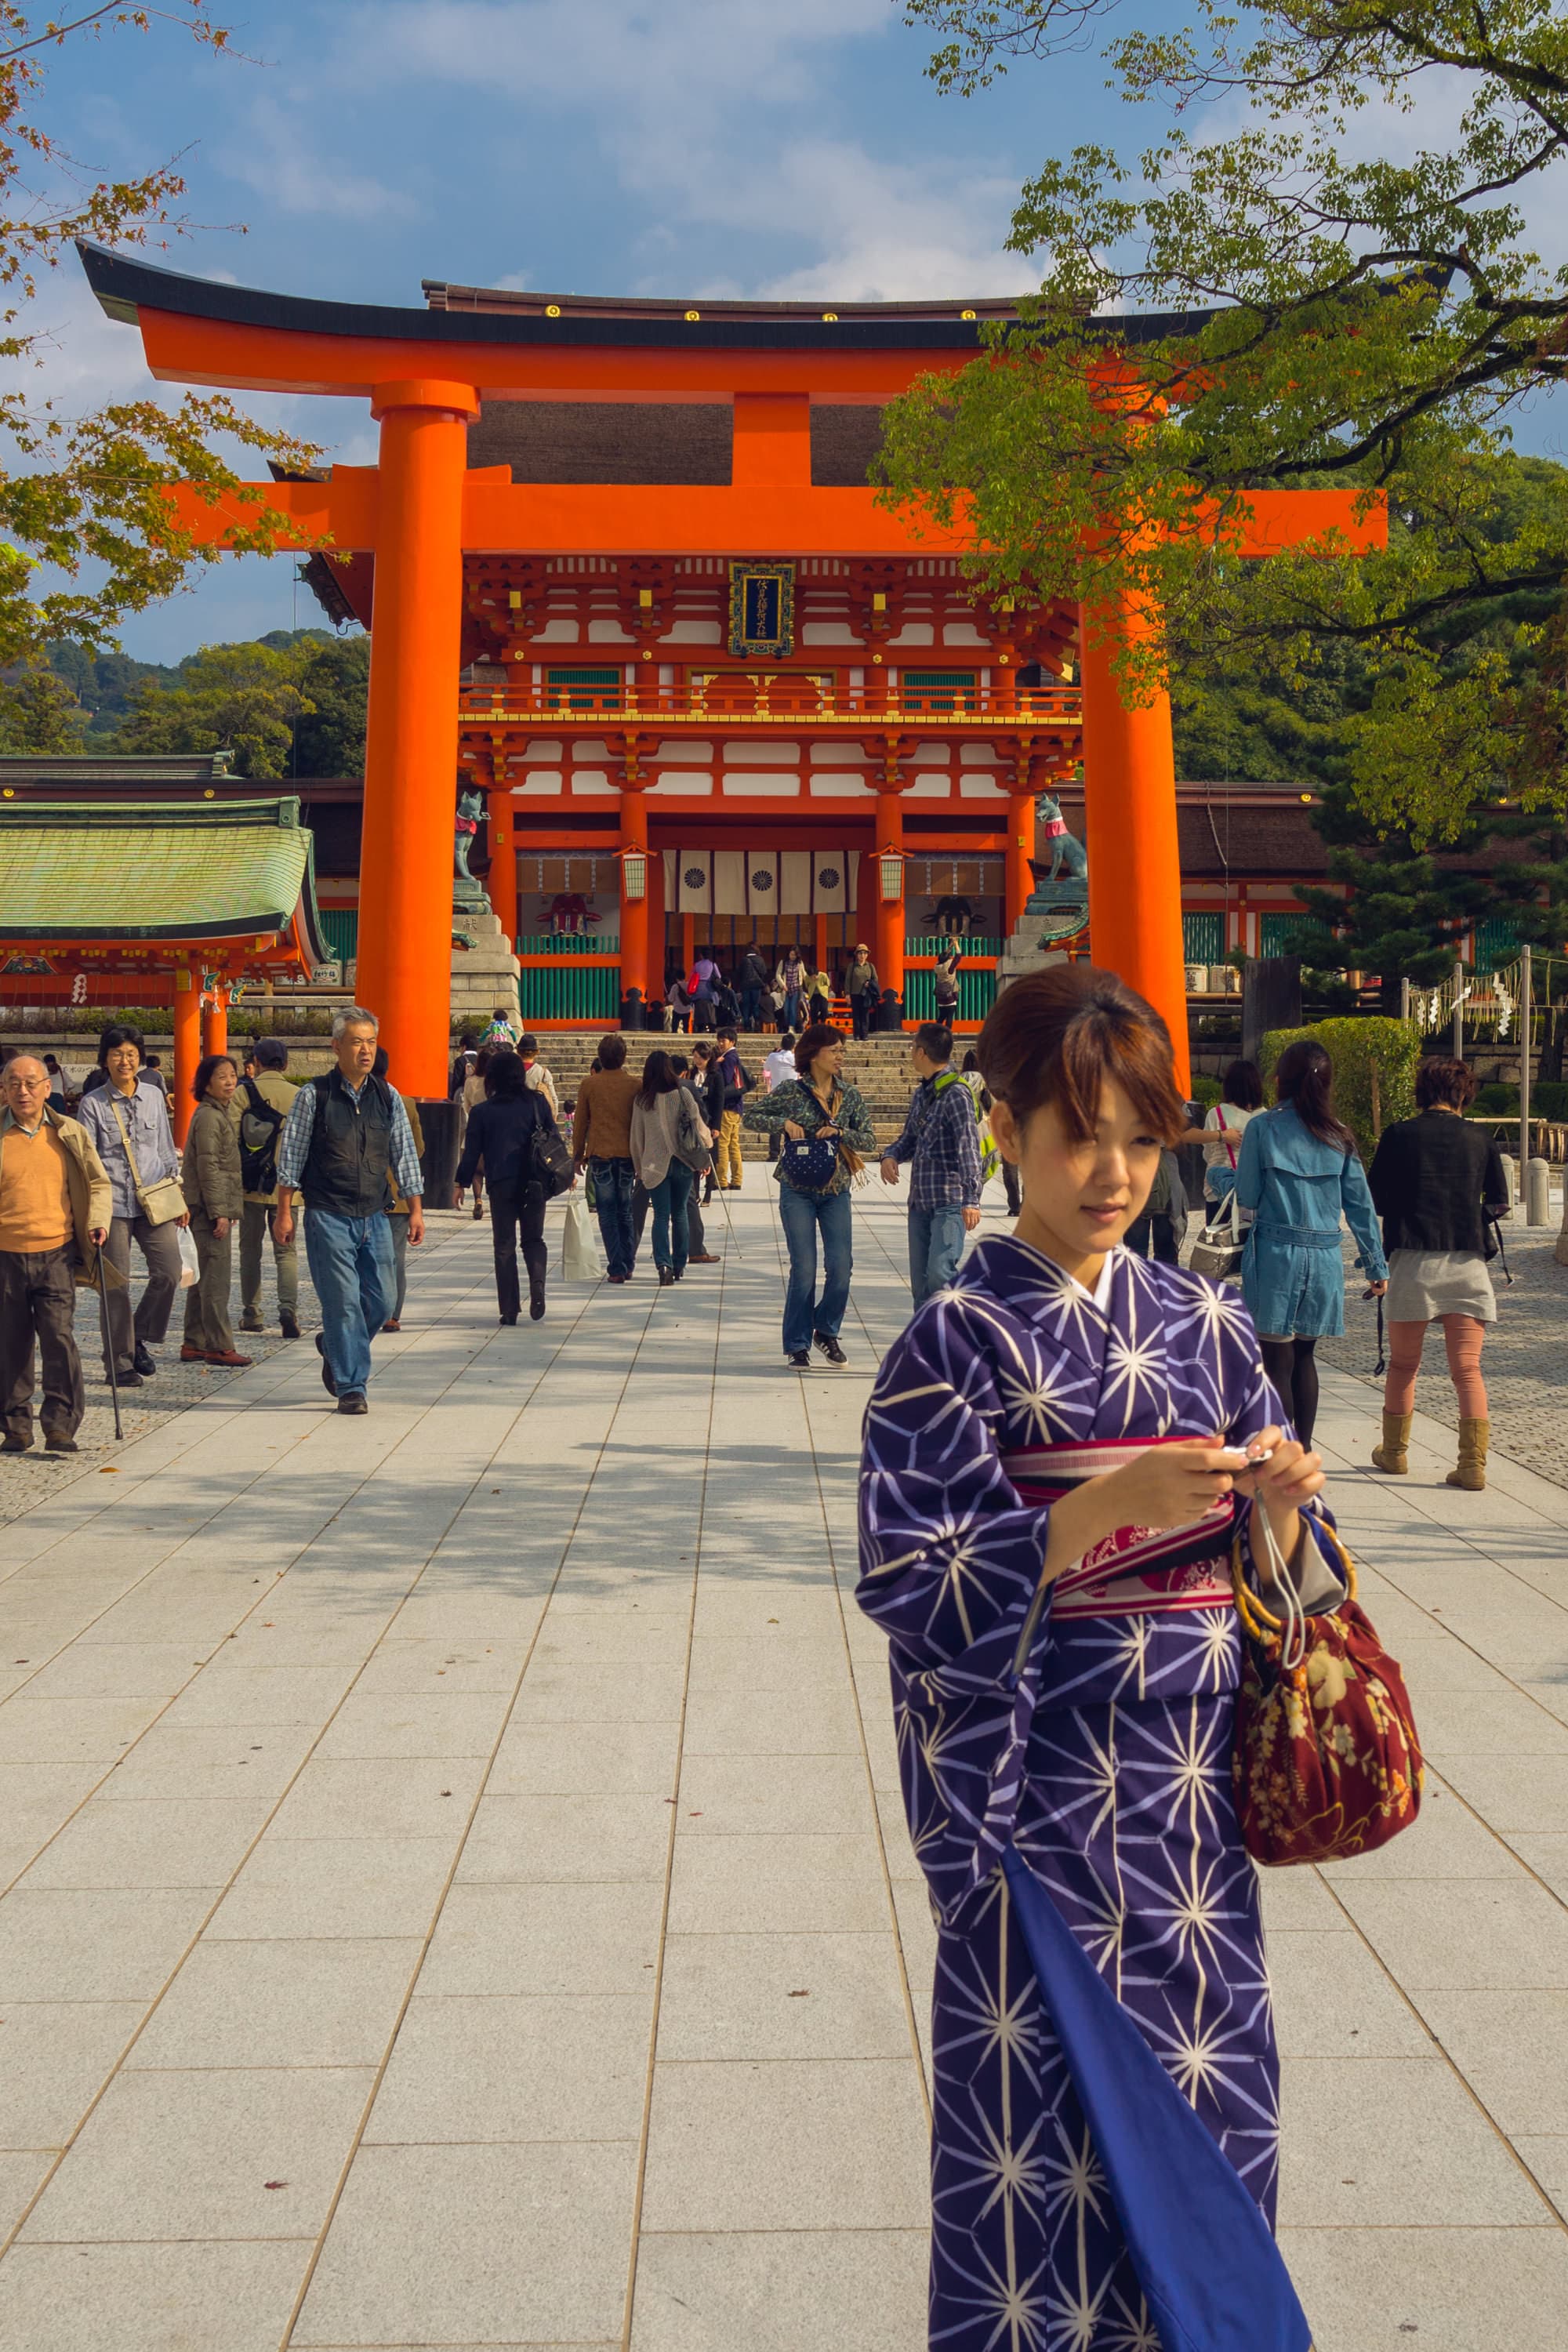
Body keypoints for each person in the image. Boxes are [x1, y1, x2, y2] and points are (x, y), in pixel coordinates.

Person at [858, 961, 1345, 2352]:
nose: (1117, 1170)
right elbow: (908, 1575)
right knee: (1044, 2179)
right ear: (1004, 1128)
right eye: (1081, 1135)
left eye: (1143, 1136)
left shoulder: (1206, 1322)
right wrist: (1092, 1513)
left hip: (1189, 1821)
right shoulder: (950, 1342)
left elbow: (1288, 1584)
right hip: (1038, 1822)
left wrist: (1280, 1510)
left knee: (1211, 2146)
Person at [1366, 1054, 1510, 1490]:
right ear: (1463, 1092)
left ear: (1423, 1091)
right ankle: (1472, 1464)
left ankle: (1394, 1454)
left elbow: (1375, 1198)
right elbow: (1500, 1202)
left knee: (1404, 1367)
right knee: (1468, 1370)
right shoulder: (1480, 1138)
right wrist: (1468, 1215)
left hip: (1413, 1262)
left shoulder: (1398, 1136)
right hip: (1467, 1264)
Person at [1235, 1037, 1387, 1446]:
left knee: (1276, 1363)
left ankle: (1281, 1456)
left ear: (1281, 1078)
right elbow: (1361, 1206)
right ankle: (1303, 1451)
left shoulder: (1262, 1127)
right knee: (1306, 1357)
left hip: (1276, 1255)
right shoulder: (1339, 1135)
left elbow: (1247, 1196)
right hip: (1324, 1258)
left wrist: (1220, 1179)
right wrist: (1376, 1267)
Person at [273, 1007, 425, 1415]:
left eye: (371, 1042)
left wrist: (415, 1208)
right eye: (357, 1042)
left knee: (382, 1300)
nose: (365, 1050)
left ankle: (335, 1345)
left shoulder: (387, 1096)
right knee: (342, 1302)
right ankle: (351, 1386)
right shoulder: (314, 1095)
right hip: (328, 1212)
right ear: (336, 1046)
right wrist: (284, 1210)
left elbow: (404, 1154)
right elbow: (291, 1156)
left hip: (375, 1213)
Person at [744, 1022, 876, 1368]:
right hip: (797, 1189)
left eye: (843, 1051)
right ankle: (797, 1343)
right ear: (814, 1054)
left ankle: (826, 1330)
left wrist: (841, 1131)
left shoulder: (850, 1096)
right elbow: (752, 1117)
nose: (841, 1057)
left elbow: (870, 1140)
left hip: (836, 1191)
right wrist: (783, 1124)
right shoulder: (791, 1092)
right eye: (835, 1051)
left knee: (841, 1267)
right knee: (804, 1267)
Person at [0, 1052, 113, 1454]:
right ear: (4, 1090)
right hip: (6, 1254)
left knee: (59, 1338)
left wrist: (98, 1220)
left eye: (31, 1083)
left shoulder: (68, 1132)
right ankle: (16, 1425)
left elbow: (98, 1183)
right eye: (14, 1083)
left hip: (57, 1252)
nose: (23, 1090)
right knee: (10, 1342)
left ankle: (60, 1425)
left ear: (48, 1088)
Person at [77, 1022, 187, 1389]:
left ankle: (138, 1334)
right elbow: (87, 1163)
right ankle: (119, 1363)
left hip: (155, 1200)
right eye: (117, 1054)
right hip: (112, 1206)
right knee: (115, 1287)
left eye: (131, 1054)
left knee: (170, 1272)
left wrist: (178, 1194)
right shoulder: (92, 1104)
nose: (125, 1061)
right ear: (105, 1059)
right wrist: (92, 1215)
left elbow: (165, 1148)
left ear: (140, 1058)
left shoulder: (155, 1095)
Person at [879, 1022, 984, 1308]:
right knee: (922, 1285)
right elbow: (909, 1138)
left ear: (922, 1052)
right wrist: (891, 1155)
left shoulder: (957, 1094)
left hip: (950, 1203)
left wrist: (972, 1199)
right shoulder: (921, 1094)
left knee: (941, 1273)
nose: (911, 1052)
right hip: (920, 1202)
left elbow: (968, 1148)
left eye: (913, 1047)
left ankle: (961, 1328)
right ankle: (927, 1345)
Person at [456, 1046, 555, 1322]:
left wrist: (460, 1183)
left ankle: (509, 1309)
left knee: (504, 1244)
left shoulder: (483, 1112)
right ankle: (537, 1285)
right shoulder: (537, 1103)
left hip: (501, 1182)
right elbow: (553, 1138)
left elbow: (472, 1152)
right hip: (534, 1181)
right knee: (534, 1239)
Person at [180, 1053, 251, 1368]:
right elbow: (208, 1166)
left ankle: (194, 1341)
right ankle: (219, 1345)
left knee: (202, 1278)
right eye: (222, 1076)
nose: (230, 1081)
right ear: (207, 1082)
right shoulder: (210, 1117)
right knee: (216, 1281)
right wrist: (219, 1211)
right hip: (209, 1211)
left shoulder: (214, 1113)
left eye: (233, 1075)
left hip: (204, 1208)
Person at [237, 1038, 301, 1340]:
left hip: (249, 1185)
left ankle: (252, 1314)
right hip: (288, 1187)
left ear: (257, 1063)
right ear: (286, 1064)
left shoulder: (243, 1093)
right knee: (286, 1252)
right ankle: (288, 1309)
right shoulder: (300, 1096)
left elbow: (229, 1137)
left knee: (249, 1251)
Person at [630, 1049, 710, 1287]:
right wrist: (704, 1157)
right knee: (681, 1213)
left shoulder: (643, 1100)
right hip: (684, 1162)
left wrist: (638, 1166)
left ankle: (662, 1264)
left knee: (661, 1216)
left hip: (655, 1165)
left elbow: (637, 1137)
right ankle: (679, 1264)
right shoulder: (684, 1094)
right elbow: (698, 1126)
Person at [571, 1030, 641, 1283]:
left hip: (599, 1153)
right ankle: (629, 1260)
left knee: (607, 1212)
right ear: (624, 1057)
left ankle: (617, 1265)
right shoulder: (635, 1085)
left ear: (600, 1056)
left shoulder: (589, 1085)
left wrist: (577, 1155)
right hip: (627, 1154)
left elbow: (580, 1123)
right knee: (626, 1210)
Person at [374, 1045, 426, 1331]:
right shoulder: (406, 1102)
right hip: (399, 1193)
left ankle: (369, 1307)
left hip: (364, 1191)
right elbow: (417, 1148)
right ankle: (393, 1314)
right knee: (395, 1257)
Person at [1198, 1057, 1265, 1215]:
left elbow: (1208, 1152)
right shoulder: (1265, 1117)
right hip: (1254, 1192)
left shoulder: (1217, 1114)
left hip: (1220, 1191)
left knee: (1222, 1237)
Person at [964, 1047, 1021, 1215]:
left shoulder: (960, 1080)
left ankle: (972, 1200)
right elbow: (991, 1104)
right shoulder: (987, 1080)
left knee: (976, 1166)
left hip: (973, 1129)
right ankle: (1017, 1206)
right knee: (1010, 1168)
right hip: (1002, 1127)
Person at [711, 1026, 753, 1191]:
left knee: (722, 1144)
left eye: (724, 1040)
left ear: (732, 1042)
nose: (721, 1043)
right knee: (733, 1145)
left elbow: (725, 1079)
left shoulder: (728, 1058)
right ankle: (736, 1179)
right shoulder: (733, 1056)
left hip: (727, 1107)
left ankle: (721, 1180)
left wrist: (715, 1065)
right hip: (736, 1106)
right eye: (719, 1040)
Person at [688, 1040, 726, 1203]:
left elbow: (719, 1102)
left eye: (700, 1058)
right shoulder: (691, 1074)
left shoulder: (715, 1076)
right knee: (694, 1156)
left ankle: (709, 1192)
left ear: (708, 1058)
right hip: (693, 1121)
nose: (697, 1061)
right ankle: (695, 1192)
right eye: (695, 1057)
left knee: (710, 1156)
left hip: (709, 1120)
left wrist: (716, 1126)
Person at [460, 1047, 493, 1219]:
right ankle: (495, 1201)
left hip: (474, 1126)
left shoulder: (470, 1081)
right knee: (493, 1168)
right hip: (493, 1129)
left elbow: (465, 1105)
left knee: (476, 1170)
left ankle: (478, 1199)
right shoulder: (495, 1081)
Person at [517, 1033, 560, 1116]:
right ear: (537, 1052)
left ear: (518, 1051)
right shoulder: (543, 1073)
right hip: (537, 1120)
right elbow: (553, 1099)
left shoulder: (510, 1071)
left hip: (515, 1117)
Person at [845, 943, 880, 1040]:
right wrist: (847, 994)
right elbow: (848, 980)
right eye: (860, 953)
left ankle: (864, 1034)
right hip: (855, 994)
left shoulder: (870, 966)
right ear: (857, 955)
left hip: (866, 994)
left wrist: (870, 984)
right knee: (856, 1015)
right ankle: (856, 1035)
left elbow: (875, 979)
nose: (862, 956)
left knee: (865, 1015)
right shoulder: (852, 967)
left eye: (864, 953)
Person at [739, 942, 770, 1030]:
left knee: (746, 1005)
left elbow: (739, 974)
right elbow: (764, 972)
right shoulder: (760, 960)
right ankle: (757, 1023)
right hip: (757, 986)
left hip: (745, 986)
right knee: (756, 1005)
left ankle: (747, 1025)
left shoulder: (744, 960)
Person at [932, 938, 962, 1025]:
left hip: (940, 996)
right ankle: (947, 1033)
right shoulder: (950, 966)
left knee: (941, 1016)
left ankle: (936, 1032)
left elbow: (944, 955)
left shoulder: (937, 965)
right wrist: (956, 944)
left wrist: (951, 945)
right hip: (950, 996)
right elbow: (958, 956)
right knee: (949, 1016)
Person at [777, 946, 806, 1031]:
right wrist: (782, 985)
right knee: (786, 1009)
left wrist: (810, 979)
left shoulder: (800, 963)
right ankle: (786, 1025)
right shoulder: (783, 962)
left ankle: (791, 1027)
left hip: (796, 988)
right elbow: (778, 974)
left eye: (795, 955)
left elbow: (804, 974)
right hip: (786, 988)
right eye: (791, 954)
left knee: (793, 1008)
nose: (793, 956)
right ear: (788, 954)